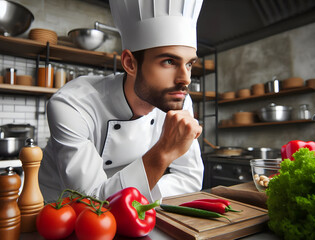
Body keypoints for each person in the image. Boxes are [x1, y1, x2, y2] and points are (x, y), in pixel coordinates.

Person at [39, 0, 204, 203]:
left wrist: (142, 198)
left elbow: (190, 178)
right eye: (169, 62)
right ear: (130, 64)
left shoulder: (177, 101)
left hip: (136, 217)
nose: (185, 79)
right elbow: (90, 203)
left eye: (189, 64)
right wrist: (163, 151)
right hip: (60, 217)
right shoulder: (72, 105)